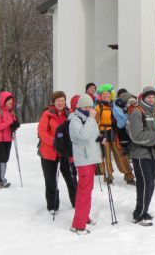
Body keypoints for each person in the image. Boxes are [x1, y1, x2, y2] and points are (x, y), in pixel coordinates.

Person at [127, 86, 155, 226]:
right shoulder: (137, 112)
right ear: (143, 97)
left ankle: (144, 210)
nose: (151, 99)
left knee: (150, 184)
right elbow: (136, 136)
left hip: (153, 152)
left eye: (153, 97)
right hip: (140, 153)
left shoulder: (154, 111)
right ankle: (139, 214)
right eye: (149, 97)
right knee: (145, 183)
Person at [37, 91, 77, 213]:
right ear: (54, 102)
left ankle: (76, 202)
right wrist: (54, 141)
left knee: (71, 178)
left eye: (62, 100)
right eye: (58, 100)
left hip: (65, 152)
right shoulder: (47, 114)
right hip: (49, 153)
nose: (60, 102)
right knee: (51, 180)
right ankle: (53, 205)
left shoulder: (69, 114)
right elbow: (42, 132)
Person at [69, 93, 103, 235]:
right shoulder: (75, 120)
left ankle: (84, 216)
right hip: (83, 159)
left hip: (91, 158)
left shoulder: (87, 119)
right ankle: (78, 224)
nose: (91, 109)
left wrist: (100, 139)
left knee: (88, 190)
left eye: (91, 106)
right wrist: (90, 119)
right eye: (88, 106)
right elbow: (82, 135)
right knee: (83, 191)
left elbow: (91, 136)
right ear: (82, 107)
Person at [95, 84, 135, 184]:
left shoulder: (114, 105)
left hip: (115, 132)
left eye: (107, 94)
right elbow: (95, 123)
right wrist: (99, 135)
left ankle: (129, 175)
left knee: (121, 154)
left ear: (111, 95)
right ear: (100, 96)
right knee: (106, 155)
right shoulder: (98, 107)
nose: (105, 96)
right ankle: (108, 176)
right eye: (103, 94)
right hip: (103, 132)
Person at [0, 91, 19, 188]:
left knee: (4, 159)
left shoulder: (10, 112)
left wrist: (15, 124)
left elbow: (13, 123)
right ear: (3, 101)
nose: (11, 102)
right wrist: (9, 122)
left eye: (11, 100)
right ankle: (1, 180)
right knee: (2, 159)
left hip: (8, 139)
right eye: (9, 100)